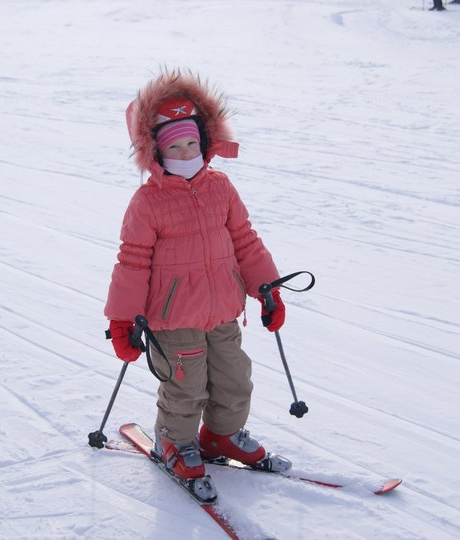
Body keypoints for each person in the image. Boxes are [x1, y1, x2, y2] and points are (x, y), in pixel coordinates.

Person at [104, 70, 290, 498]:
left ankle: (221, 436)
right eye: (174, 146)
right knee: (185, 386)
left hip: (223, 308)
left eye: (191, 143)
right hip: (173, 318)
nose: (185, 152)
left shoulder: (221, 188)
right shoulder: (147, 202)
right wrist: (121, 320)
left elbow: (245, 240)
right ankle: (175, 440)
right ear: (155, 151)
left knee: (234, 378)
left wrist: (267, 289)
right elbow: (131, 263)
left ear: (204, 143)